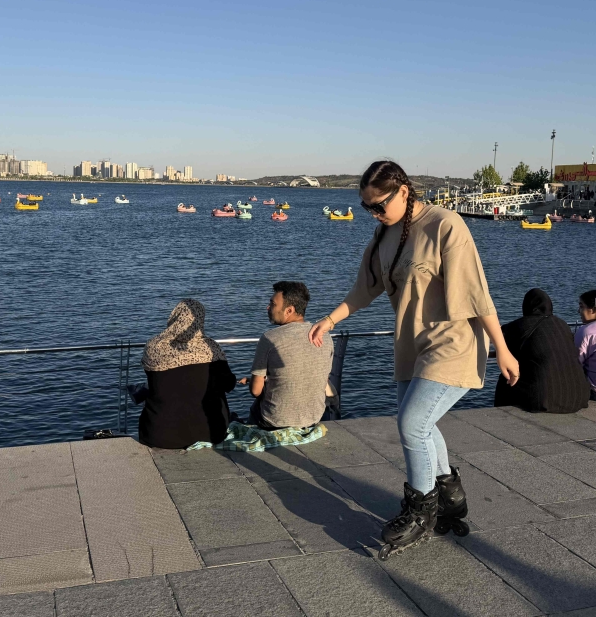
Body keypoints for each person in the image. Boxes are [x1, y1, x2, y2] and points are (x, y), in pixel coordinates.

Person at [309, 161, 519, 556]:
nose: (373, 213)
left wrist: (502, 349)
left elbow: (477, 293)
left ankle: (420, 510)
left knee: (411, 423)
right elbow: (364, 289)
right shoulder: (384, 235)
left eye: (380, 204)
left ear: (404, 191)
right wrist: (328, 320)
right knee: (422, 423)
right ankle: (451, 496)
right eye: (367, 206)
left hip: (453, 342)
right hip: (412, 345)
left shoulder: (446, 224)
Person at [136, 299, 236, 449]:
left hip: (158, 434)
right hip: (210, 432)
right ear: (200, 320)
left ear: (174, 317)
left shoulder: (153, 347)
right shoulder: (211, 349)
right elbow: (229, 385)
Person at [245, 281, 333, 429]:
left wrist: (256, 382)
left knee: (256, 407)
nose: (268, 308)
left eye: (273, 304)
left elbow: (255, 391)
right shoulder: (325, 336)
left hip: (276, 422)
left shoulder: (270, 338)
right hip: (314, 417)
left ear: (289, 310)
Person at [494, 289, 589, 413]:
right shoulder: (562, 325)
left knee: (506, 377)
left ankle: (499, 412)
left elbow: (506, 352)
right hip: (579, 397)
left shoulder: (518, 325)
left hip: (543, 399)